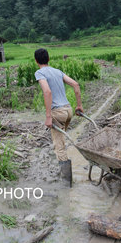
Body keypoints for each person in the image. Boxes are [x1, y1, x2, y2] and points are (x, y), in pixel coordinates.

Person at [34, 48, 84, 187]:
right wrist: (79, 105)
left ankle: (66, 183)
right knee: (61, 141)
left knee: (59, 147)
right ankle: (65, 173)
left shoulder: (39, 72)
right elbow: (75, 84)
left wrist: (48, 116)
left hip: (57, 113)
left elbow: (47, 91)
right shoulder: (57, 71)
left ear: (36, 61)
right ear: (48, 59)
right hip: (68, 111)